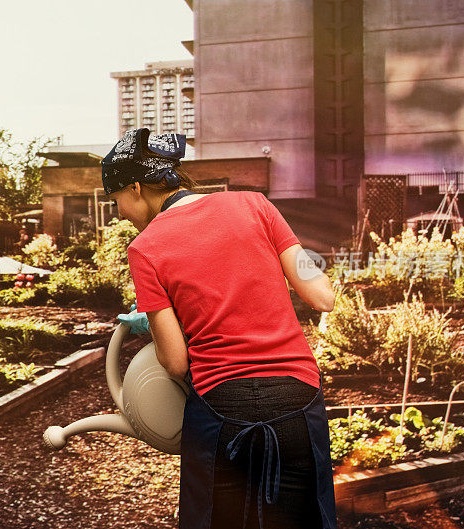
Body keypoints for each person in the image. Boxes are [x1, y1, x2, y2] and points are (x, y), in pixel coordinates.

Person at [102, 128, 338, 529]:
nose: (120, 212)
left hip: (221, 408)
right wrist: (289, 251)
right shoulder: (256, 206)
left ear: (137, 187)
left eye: (117, 199)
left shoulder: (145, 248)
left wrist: (159, 323)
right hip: (296, 397)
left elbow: (175, 363)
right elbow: (322, 298)